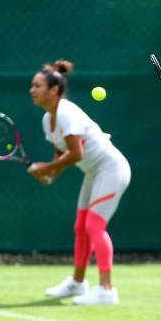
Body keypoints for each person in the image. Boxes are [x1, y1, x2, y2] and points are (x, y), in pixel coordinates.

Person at [28, 59, 131, 305]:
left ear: (53, 90)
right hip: (94, 173)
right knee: (81, 226)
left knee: (95, 225)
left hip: (111, 168)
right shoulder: (47, 120)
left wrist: (46, 168)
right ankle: (77, 283)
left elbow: (76, 154)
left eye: (37, 86)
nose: (32, 90)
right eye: (32, 86)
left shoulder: (66, 112)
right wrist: (50, 174)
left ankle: (106, 290)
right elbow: (60, 155)